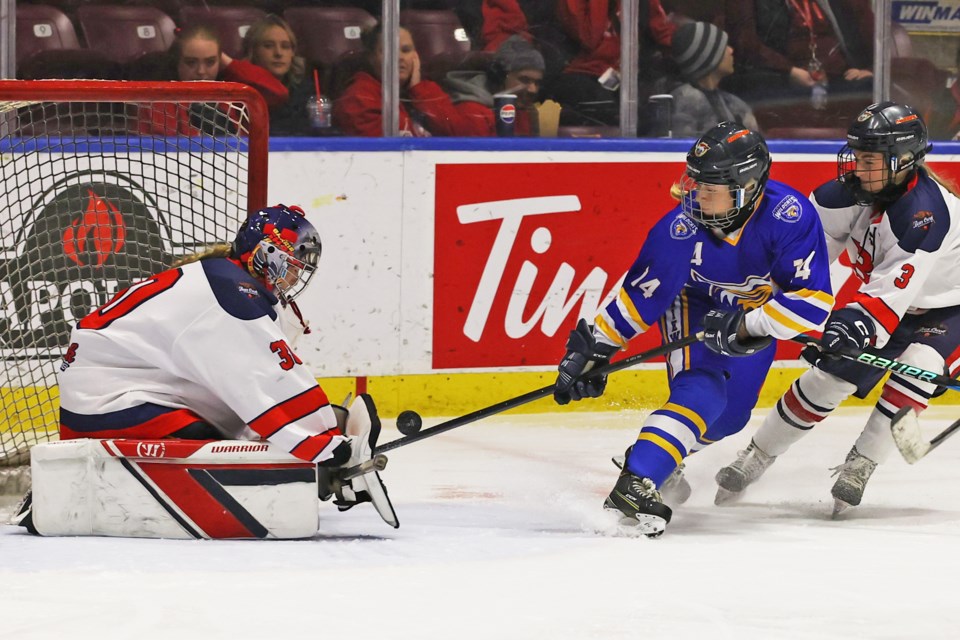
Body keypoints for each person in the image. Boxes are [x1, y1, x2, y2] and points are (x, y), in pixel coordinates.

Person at [552, 122, 833, 537]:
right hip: (694, 305)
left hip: (752, 317)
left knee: (731, 417)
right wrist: (592, 348)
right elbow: (639, 299)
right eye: (695, 181)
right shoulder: (678, 229)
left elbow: (813, 305)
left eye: (711, 187)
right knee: (703, 388)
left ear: (748, 187)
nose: (696, 194)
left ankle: (653, 454)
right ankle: (637, 478)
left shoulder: (788, 216)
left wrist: (746, 325)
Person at [41, 204, 396, 528]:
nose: (293, 279)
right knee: (228, 447)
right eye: (291, 266)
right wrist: (330, 444)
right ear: (264, 255)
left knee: (250, 426)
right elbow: (265, 376)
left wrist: (321, 427)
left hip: (116, 387)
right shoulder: (231, 293)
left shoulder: (224, 279)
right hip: (107, 402)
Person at [713, 102, 960, 515]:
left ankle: (861, 464)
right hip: (897, 302)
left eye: (870, 159)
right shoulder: (844, 196)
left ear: (902, 161)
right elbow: (807, 261)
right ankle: (756, 455)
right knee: (828, 377)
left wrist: (847, 328)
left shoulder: (924, 217)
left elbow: (884, 301)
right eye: (856, 156)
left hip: (951, 310)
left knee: (918, 368)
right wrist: (768, 295)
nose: (856, 168)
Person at [138, 25, 289, 136]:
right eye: (191, 62)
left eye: (210, 62)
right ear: (176, 62)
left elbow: (278, 93)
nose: (201, 71)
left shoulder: (234, 98)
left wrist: (229, 63)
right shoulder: (158, 103)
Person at [723, 0, 874, 110]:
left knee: (870, 86)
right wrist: (789, 71)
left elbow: (871, 32)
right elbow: (746, 42)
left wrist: (870, 69)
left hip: (841, 76)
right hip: (780, 76)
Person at [550, 0, 676, 126]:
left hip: (630, 77)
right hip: (584, 73)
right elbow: (589, 37)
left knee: (666, 112)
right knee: (610, 115)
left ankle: (695, 146)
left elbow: (664, 32)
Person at [333, 24, 470, 137]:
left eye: (406, 50)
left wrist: (419, 89)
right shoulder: (359, 98)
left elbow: (458, 135)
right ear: (371, 57)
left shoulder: (425, 90)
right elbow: (388, 153)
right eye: (389, 50)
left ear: (415, 56)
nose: (400, 57)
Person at [668, 21, 759, 138]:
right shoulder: (689, 100)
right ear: (707, 58)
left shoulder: (734, 105)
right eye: (723, 47)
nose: (731, 50)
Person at [444, 35, 545, 136]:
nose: (533, 90)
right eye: (524, 80)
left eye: (537, 83)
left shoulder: (525, 111)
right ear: (499, 77)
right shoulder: (473, 112)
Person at [241, 15, 315, 136]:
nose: (278, 53)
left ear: (293, 53)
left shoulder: (304, 91)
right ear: (252, 51)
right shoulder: (241, 91)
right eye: (268, 46)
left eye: (285, 47)